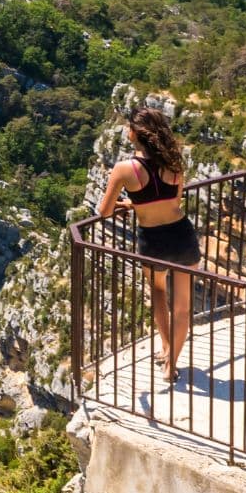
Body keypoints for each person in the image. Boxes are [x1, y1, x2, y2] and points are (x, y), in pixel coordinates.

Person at [97, 106, 196, 386]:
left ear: (134, 134)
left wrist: (130, 202)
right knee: (183, 308)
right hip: (181, 234)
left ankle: (166, 349)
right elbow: (174, 202)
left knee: (159, 295)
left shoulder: (125, 169)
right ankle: (171, 364)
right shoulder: (175, 163)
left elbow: (104, 211)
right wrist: (138, 201)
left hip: (153, 240)